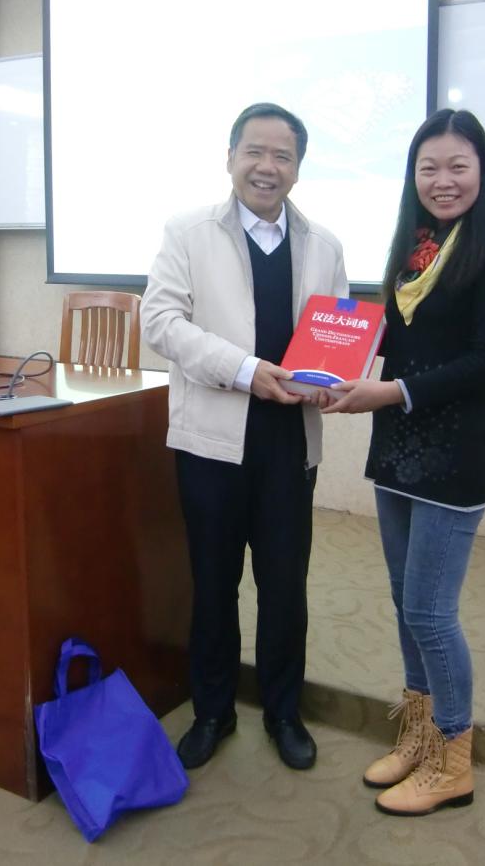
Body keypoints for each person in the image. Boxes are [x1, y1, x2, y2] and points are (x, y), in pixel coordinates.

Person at [322, 109, 485, 815]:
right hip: (398, 449)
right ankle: (418, 735)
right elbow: (401, 334)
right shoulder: (418, 244)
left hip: (455, 455)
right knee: (403, 601)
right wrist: (333, 351)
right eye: (428, 167)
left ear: (482, 171)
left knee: (431, 612)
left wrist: (389, 391)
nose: (443, 180)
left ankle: (452, 760)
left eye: (458, 166)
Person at [141, 102, 348, 772]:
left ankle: (285, 713)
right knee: (213, 584)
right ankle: (213, 711)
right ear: (230, 157)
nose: (267, 166)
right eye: (254, 151)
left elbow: (337, 338)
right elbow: (161, 322)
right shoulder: (188, 232)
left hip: (290, 443)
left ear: (298, 168)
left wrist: (334, 381)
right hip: (212, 442)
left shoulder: (325, 246)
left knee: (286, 587)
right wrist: (244, 370)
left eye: (282, 155)